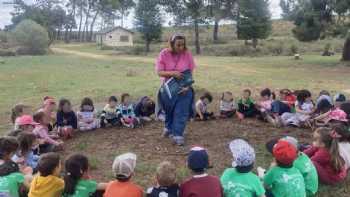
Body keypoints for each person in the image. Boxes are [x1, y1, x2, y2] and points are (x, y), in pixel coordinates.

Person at [157, 34, 196, 146]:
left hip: (184, 87)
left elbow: (190, 73)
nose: (181, 47)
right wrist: (172, 73)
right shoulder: (164, 54)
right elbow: (159, 72)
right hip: (168, 89)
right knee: (169, 110)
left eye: (183, 45)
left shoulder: (187, 54)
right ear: (172, 44)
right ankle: (168, 128)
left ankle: (178, 134)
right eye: (178, 45)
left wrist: (187, 87)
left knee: (181, 111)